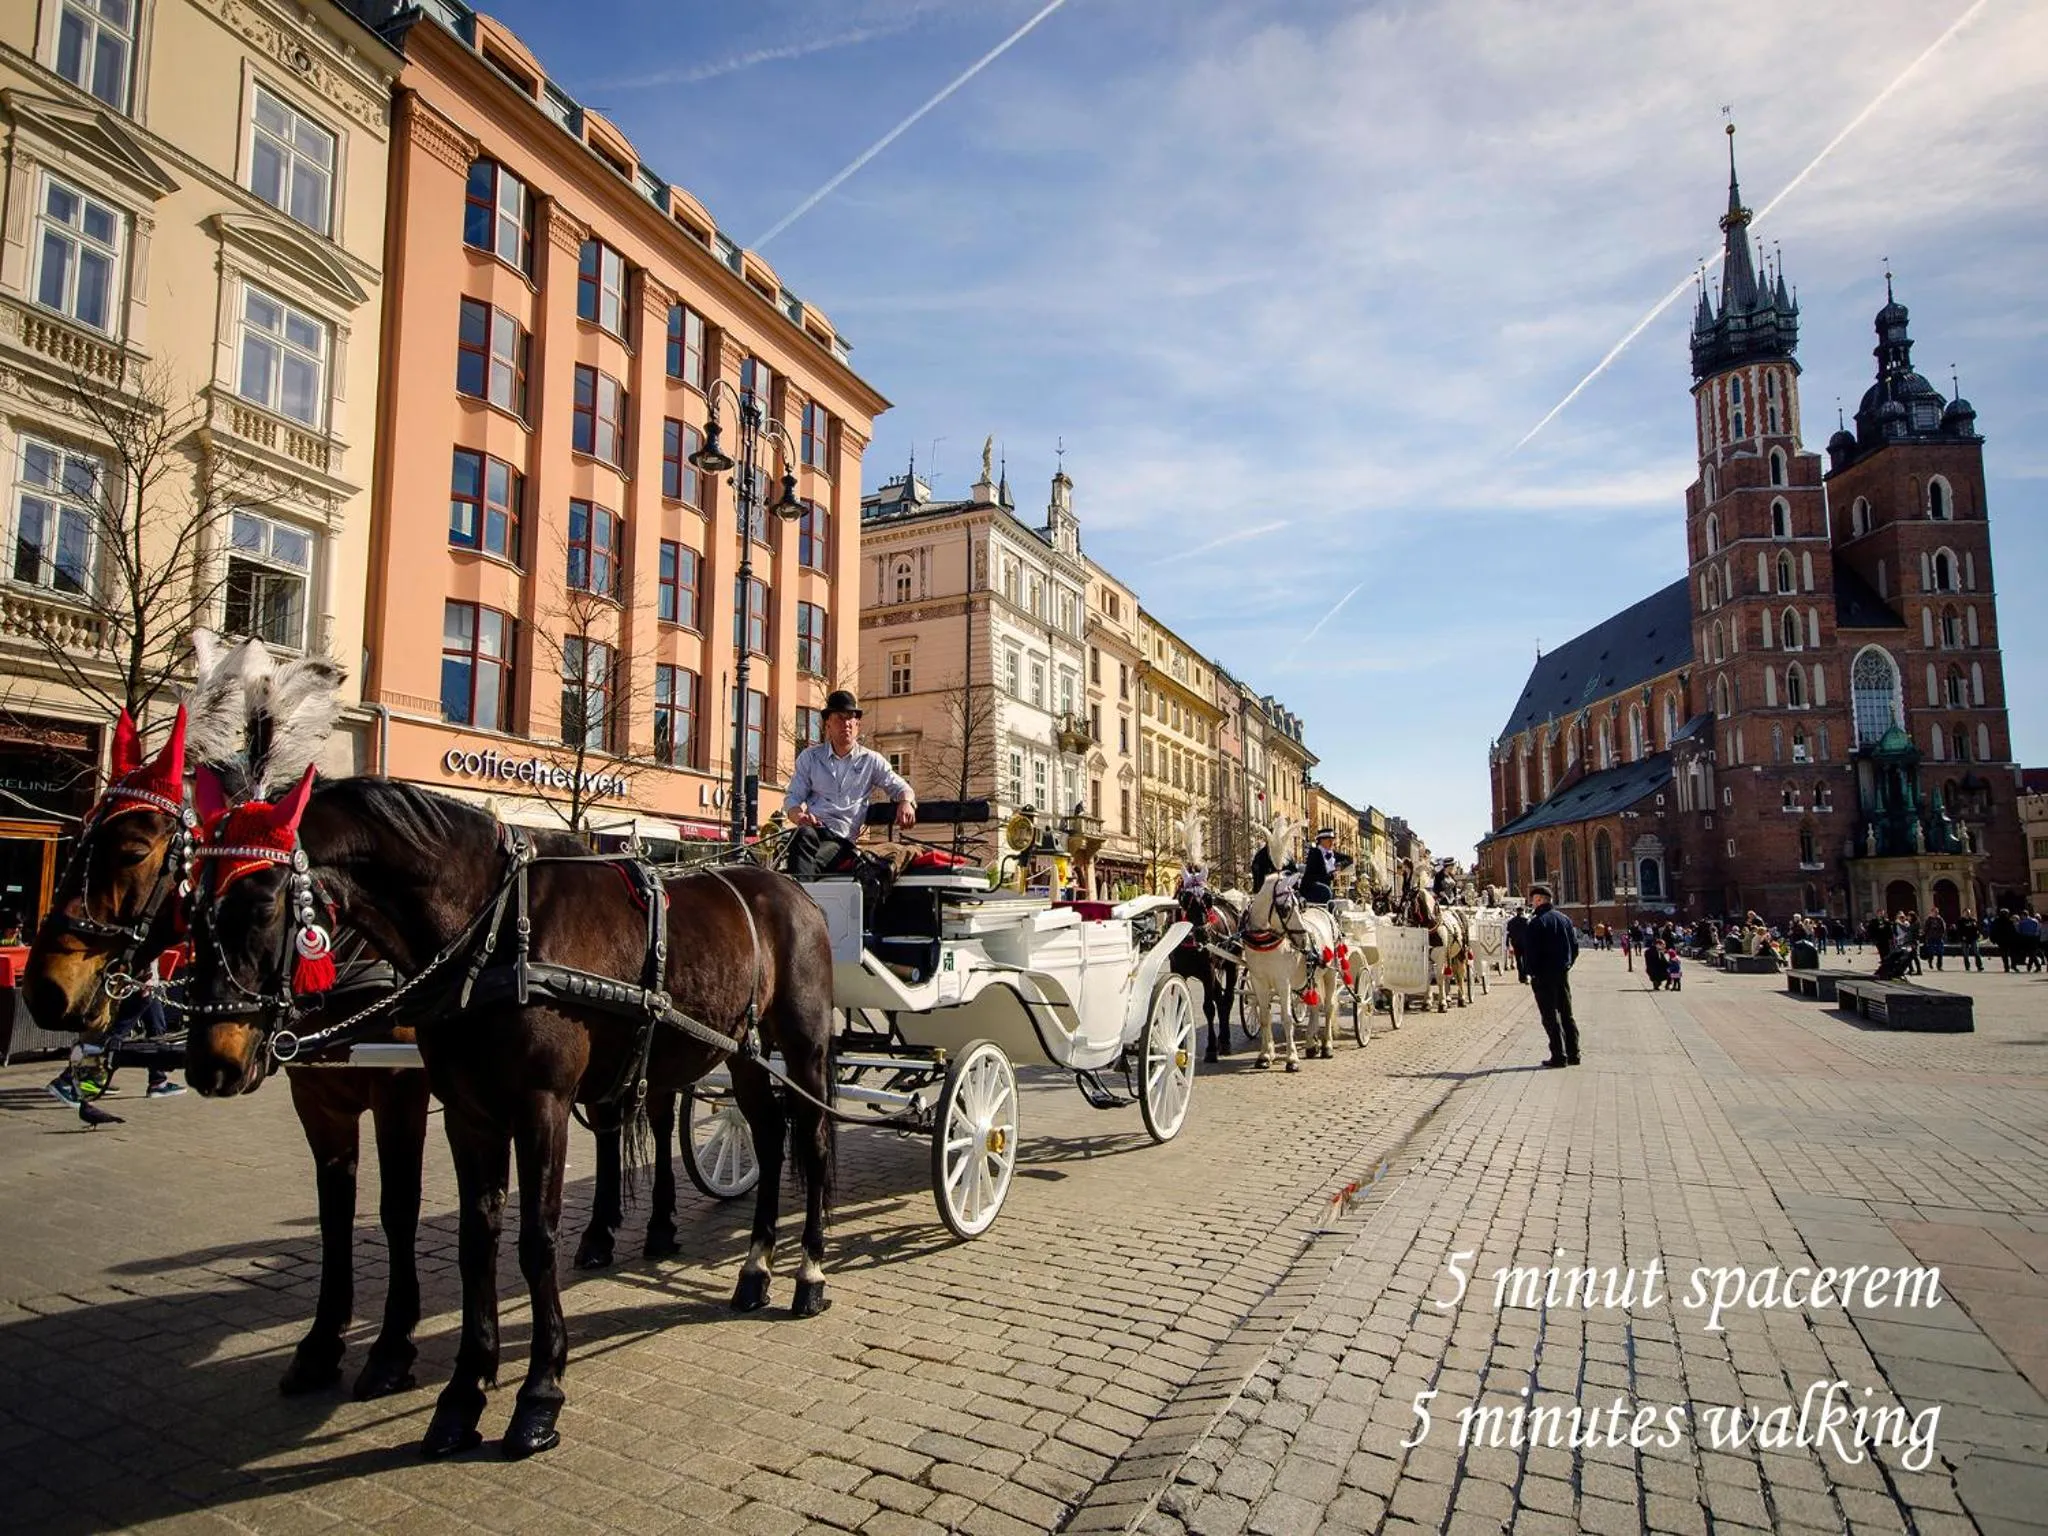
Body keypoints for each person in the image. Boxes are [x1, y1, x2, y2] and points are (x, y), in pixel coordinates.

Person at [781, 690, 916, 879]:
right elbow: (793, 797)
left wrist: (905, 802)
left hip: (842, 840)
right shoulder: (810, 757)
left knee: (810, 862)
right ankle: (802, 896)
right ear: (827, 724)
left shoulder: (871, 760)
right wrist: (800, 816)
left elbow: (901, 787)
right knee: (801, 836)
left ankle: (800, 898)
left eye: (851, 718)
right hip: (813, 830)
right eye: (839, 718)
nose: (846, 724)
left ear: (857, 725)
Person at [1520, 883, 1581, 1067]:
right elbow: (1575, 947)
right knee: (1567, 1013)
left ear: (1539, 900)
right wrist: (1567, 965)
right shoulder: (1565, 919)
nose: (1532, 904)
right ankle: (1574, 1054)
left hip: (1543, 976)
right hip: (1562, 974)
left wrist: (1531, 973)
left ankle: (1558, 1055)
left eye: (1533, 900)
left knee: (1550, 1016)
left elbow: (1530, 953)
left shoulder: (1537, 922)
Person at [1297, 829, 1350, 906]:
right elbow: (1314, 875)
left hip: (1327, 887)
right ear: (1321, 841)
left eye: (1333, 840)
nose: (1332, 843)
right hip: (1312, 888)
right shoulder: (1314, 853)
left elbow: (1349, 859)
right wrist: (1332, 876)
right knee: (1326, 892)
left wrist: (1339, 866)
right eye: (1329, 840)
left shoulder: (1332, 854)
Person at [1505, 906, 1531, 985]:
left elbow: (1508, 933)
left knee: (1519, 961)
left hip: (1516, 943)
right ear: (1523, 911)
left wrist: (1507, 943)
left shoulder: (1511, 922)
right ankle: (1526, 976)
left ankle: (1521, 977)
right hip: (1526, 943)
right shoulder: (1527, 921)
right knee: (1526, 960)